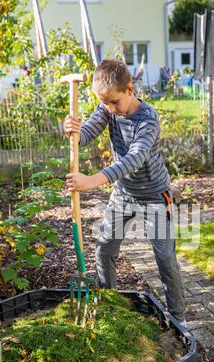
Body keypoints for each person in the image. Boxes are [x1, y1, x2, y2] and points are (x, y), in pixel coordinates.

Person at [63, 59, 185, 318]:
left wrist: (93, 181)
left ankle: (178, 317)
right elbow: (86, 134)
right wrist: (73, 130)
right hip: (123, 194)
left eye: (114, 102)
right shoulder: (107, 108)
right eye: (104, 103)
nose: (109, 108)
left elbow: (134, 158)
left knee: (164, 257)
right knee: (105, 247)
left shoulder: (148, 119)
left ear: (130, 90)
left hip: (154, 195)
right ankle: (110, 302)